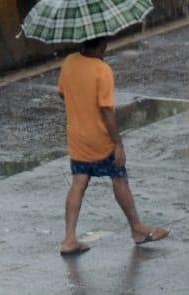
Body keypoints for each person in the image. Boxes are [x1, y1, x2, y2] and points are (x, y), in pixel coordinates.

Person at [56, 37, 169, 257]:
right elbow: (107, 111)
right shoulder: (102, 69)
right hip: (100, 139)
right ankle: (136, 228)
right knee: (119, 178)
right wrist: (118, 143)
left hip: (77, 136)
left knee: (78, 182)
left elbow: (62, 92)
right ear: (102, 45)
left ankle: (69, 239)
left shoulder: (69, 62)